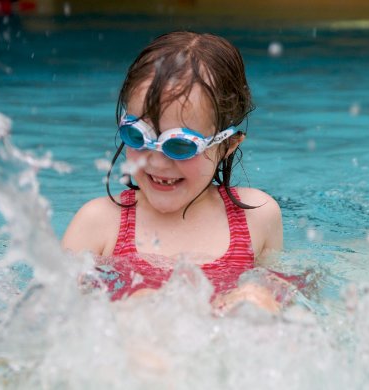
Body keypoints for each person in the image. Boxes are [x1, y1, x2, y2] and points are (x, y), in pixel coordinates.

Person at [62, 31, 285, 313]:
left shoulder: (257, 218)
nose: (157, 162)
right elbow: (49, 319)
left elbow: (295, 305)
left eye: (180, 145)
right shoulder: (99, 224)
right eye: (137, 136)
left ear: (227, 145)